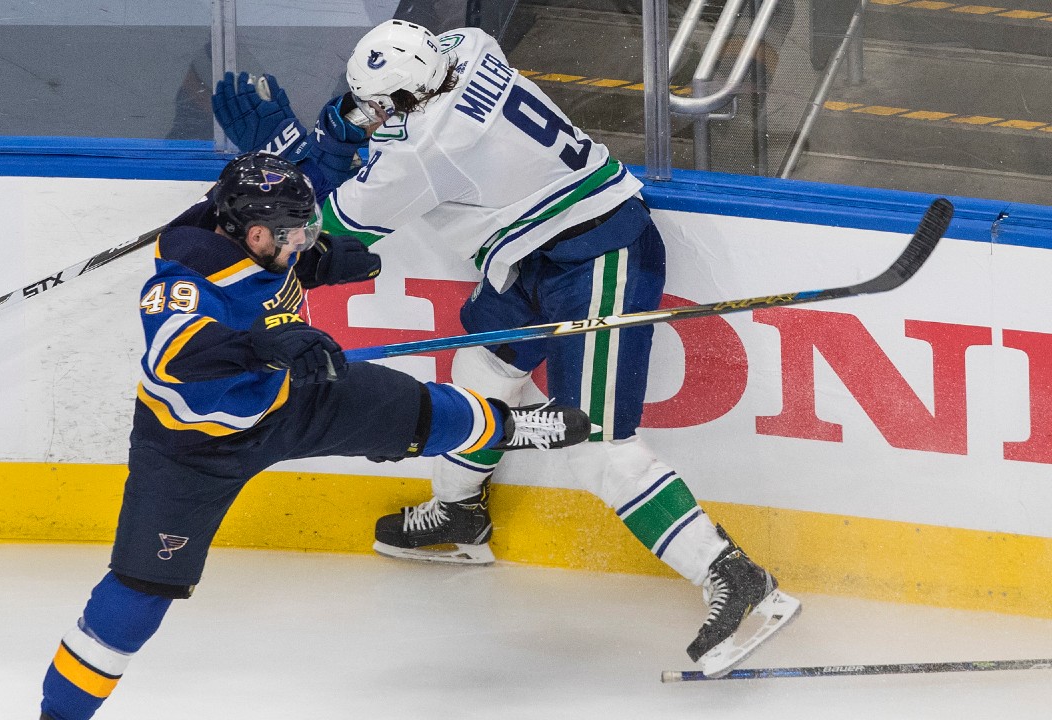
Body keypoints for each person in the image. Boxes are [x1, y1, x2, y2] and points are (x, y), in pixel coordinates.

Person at [210, 20, 800, 677]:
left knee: (595, 444)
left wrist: (288, 152)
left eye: (381, 107)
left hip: (598, 254)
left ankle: (737, 577)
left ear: (409, 100)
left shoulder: (423, 154)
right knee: (481, 369)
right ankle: (458, 518)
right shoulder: (467, 46)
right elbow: (374, 111)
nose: (370, 114)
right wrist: (345, 125)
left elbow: (314, 231)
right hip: (530, 257)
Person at [36, 151, 594, 720]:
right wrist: (261, 345)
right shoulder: (184, 279)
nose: (304, 240)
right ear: (254, 234)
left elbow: (295, 184)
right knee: (139, 591)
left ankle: (509, 425)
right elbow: (175, 355)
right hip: (191, 447)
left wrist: (319, 244)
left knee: (408, 405)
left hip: (287, 401)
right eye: (296, 236)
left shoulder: (243, 226)